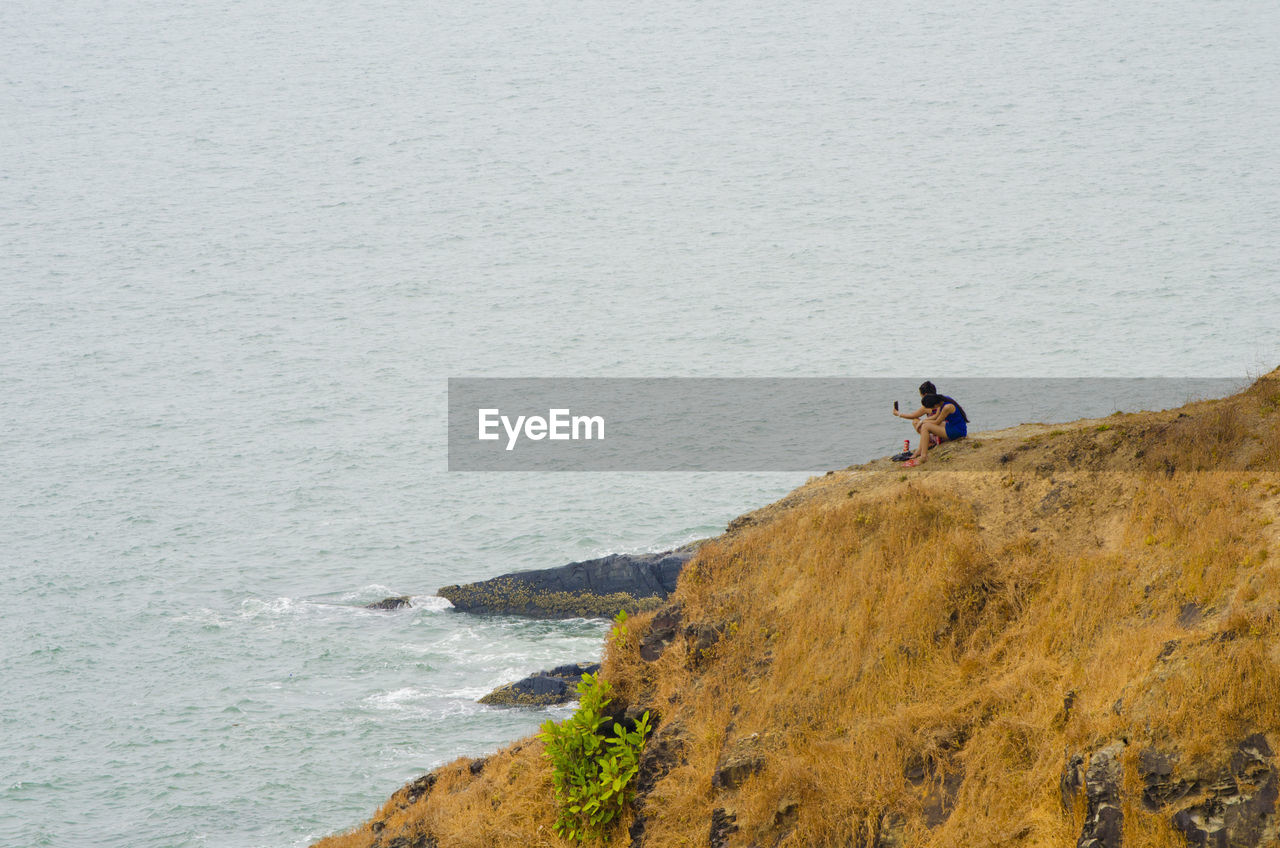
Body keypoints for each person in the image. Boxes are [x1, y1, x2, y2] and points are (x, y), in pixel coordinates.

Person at [901, 393, 968, 466]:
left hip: (957, 431)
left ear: (935, 405)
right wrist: (923, 421)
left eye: (932, 408)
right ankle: (921, 450)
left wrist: (923, 422)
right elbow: (936, 418)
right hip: (955, 426)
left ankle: (923, 457)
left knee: (925, 427)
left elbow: (937, 422)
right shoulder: (943, 400)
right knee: (925, 425)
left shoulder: (946, 407)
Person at [890, 381, 940, 460]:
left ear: (925, 395)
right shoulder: (940, 402)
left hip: (938, 435)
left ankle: (929, 443)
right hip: (942, 430)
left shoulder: (927, 405)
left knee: (916, 421)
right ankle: (929, 442)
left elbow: (913, 415)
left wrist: (898, 414)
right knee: (919, 422)